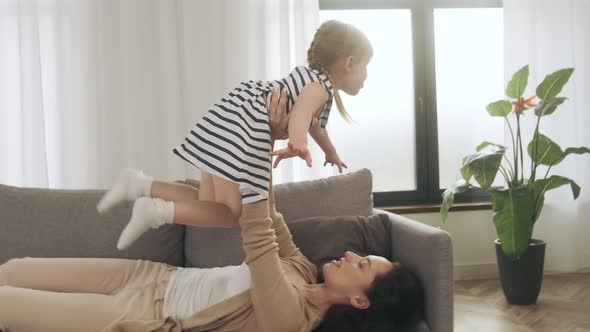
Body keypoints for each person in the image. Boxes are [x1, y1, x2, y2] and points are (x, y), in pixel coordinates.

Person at [0, 79, 424, 332]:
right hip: (152, 276)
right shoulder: (302, 269)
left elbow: (257, 239)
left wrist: (260, 140)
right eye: (362, 256)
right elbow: (271, 219)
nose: (351, 255)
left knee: (5, 304)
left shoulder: (291, 320)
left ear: (361, 301)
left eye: (363, 265)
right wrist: (272, 138)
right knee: (15, 268)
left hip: (144, 312)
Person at [96, 20, 374, 251]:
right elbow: (302, 113)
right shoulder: (320, 87)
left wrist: (330, 152)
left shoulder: (310, 79)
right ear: (349, 62)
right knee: (231, 213)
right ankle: (155, 212)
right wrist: (297, 143)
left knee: (207, 203)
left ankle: (141, 184)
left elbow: (315, 124)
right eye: (365, 67)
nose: (366, 77)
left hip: (231, 115)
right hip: (245, 127)